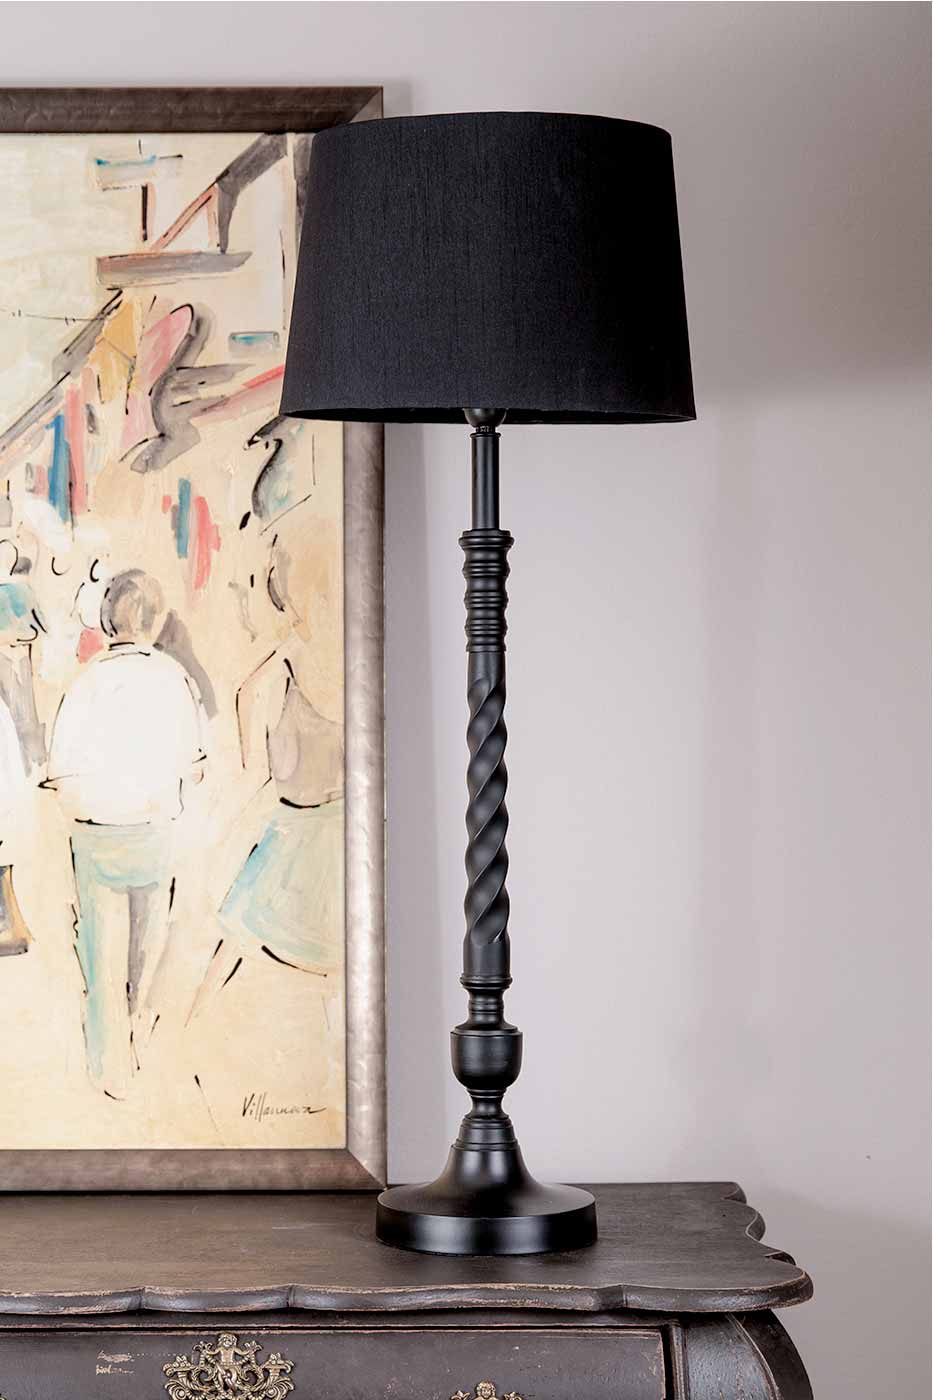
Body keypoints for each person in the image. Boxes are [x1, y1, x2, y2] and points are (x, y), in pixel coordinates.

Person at [45, 569, 205, 1097]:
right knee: (147, 941)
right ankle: (137, 1024)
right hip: (154, 832)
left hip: (96, 836)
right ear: (155, 623)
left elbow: (60, 771)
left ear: (105, 621)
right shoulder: (174, 679)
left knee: (98, 951)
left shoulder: (86, 683)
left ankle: (104, 1060)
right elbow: (193, 762)